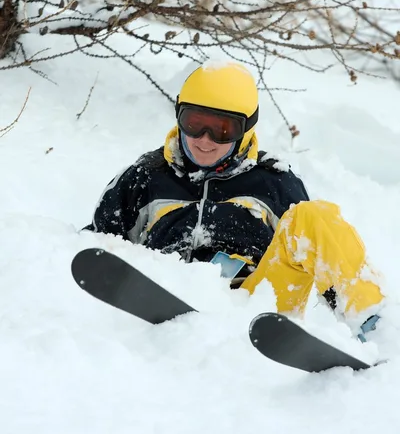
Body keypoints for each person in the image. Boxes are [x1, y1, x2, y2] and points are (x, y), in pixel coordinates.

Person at [87, 62, 384, 340]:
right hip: (162, 294)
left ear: (246, 129)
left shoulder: (274, 183)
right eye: (194, 123)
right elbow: (94, 250)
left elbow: (312, 250)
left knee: (315, 217)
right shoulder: (145, 176)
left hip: (254, 308)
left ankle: (374, 328)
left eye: (222, 130)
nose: (204, 140)